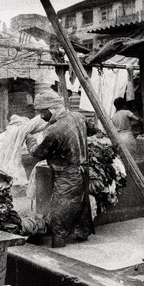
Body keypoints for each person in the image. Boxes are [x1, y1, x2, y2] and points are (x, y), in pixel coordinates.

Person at [26, 90, 96, 248]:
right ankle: (81, 237)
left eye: (42, 113)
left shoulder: (54, 130)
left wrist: (30, 140)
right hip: (84, 170)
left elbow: (38, 153)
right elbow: (92, 130)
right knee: (81, 206)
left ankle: (58, 251)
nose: (40, 117)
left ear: (51, 110)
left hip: (67, 175)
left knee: (59, 214)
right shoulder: (79, 117)